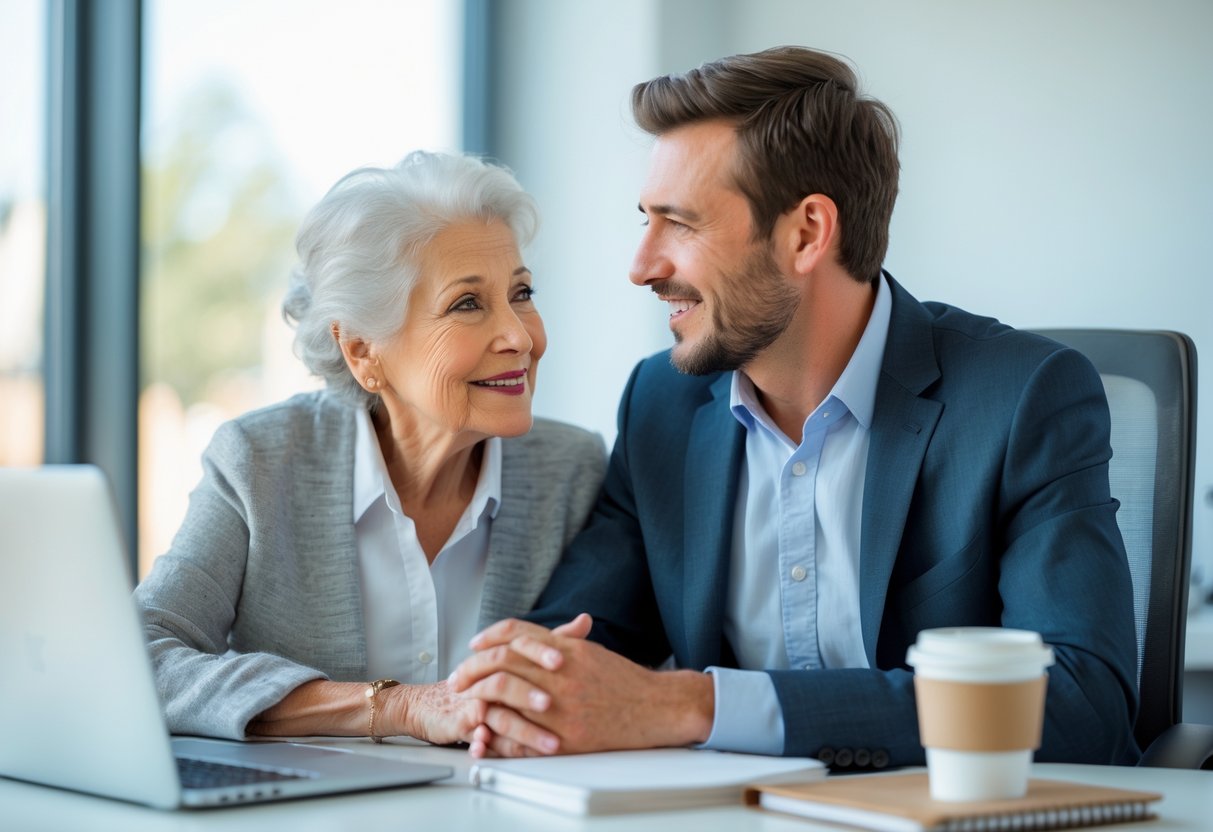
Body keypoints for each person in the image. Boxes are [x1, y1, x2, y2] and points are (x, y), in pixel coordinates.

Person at [448, 46, 1140, 768]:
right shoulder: (662, 402)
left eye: (679, 224)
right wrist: (509, 690)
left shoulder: (1020, 397)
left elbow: (1080, 705)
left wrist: (694, 704)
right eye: (643, 220)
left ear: (806, 233)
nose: (642, 265)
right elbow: (571, 649)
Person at [135, 151, 606, 745]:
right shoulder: (261, 460)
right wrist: (398, 707)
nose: (519, 336)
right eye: (468, 304)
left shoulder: (574, 470)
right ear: (362, 351)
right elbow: (139, 657)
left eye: (522, 292)